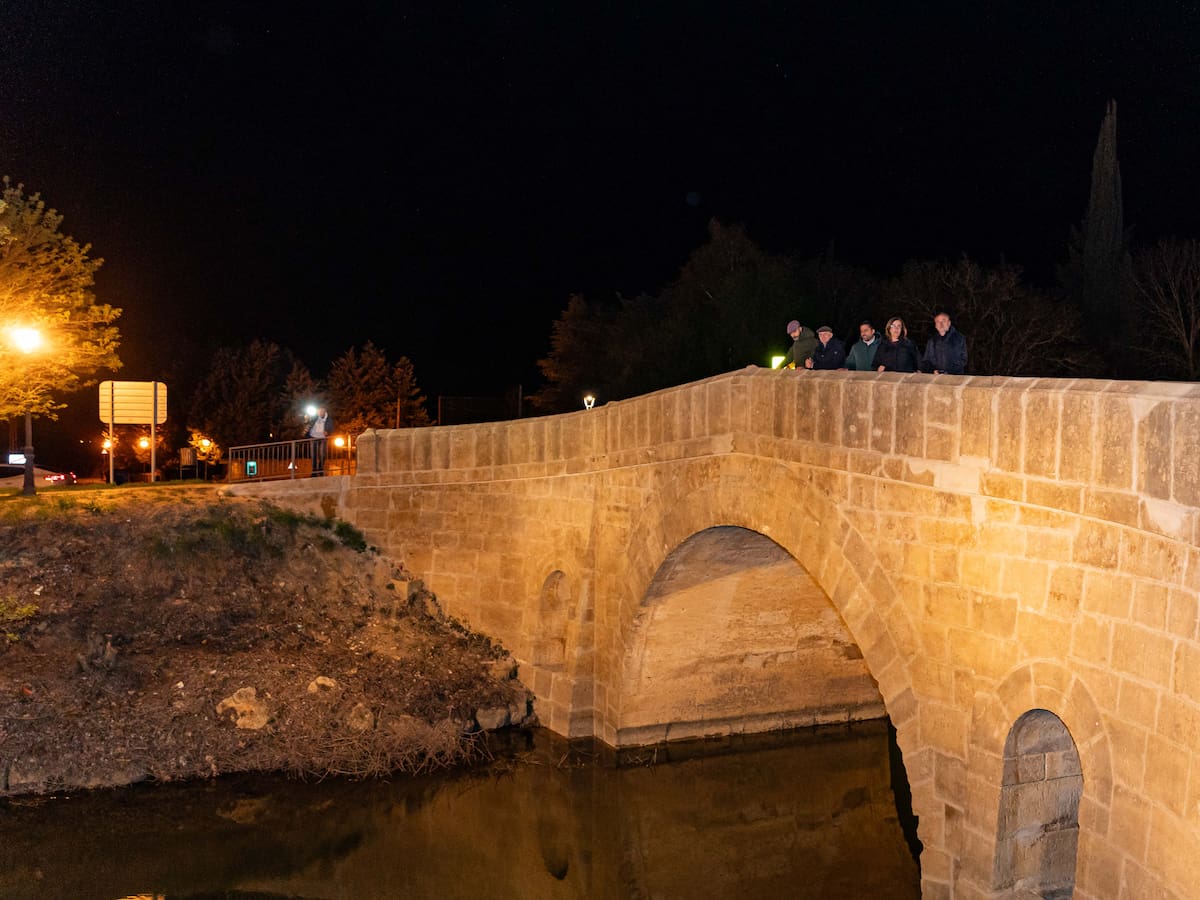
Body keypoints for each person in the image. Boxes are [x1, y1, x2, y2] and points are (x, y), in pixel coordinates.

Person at [920, 310, 968, 375]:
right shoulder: (931, 341)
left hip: (955, 378)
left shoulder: (959, 339)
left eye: (944, 321)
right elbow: (926, 361)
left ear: (949, 323)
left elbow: (963, 359)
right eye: (938, 321)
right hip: (936, 378)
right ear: (935, 325)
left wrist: (949, 372)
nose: (941, 324)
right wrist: (932, 370)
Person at [305, 406, 333, 476]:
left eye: (322, 411)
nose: (320, 413)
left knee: (322, 455)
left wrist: (328, 432)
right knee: (313, 455)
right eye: (319, 411)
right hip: (313, 437)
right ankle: (314, 470)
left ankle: (320, 468)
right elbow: (307, 424)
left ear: (325, 411)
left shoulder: (328, 419)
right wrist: (306, 421)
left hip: (323, 438)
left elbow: (331, 429)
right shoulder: (313, 418)